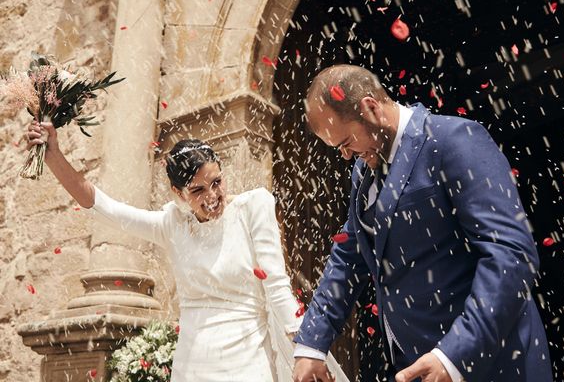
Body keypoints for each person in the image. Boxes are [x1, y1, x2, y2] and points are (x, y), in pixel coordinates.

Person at [26, 120, 348, 382]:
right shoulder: (172, 225)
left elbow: (277, 287)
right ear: (177, 192)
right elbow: (102, 206)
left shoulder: (254, 208)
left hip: (250, 360)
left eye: (217, 183)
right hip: (193, 364)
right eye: (197, 190)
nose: (212, 196)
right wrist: (53, 154)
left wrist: (308, 348)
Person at [292, 65, 552, 382]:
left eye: (346, 141)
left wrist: (453, 355)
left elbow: (510, 255)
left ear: (370, 108)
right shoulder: (363, 172)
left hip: (488, 364)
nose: (347, 156)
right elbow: (349, 257)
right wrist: (311, 344)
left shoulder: (453, 141)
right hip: (417, 367)